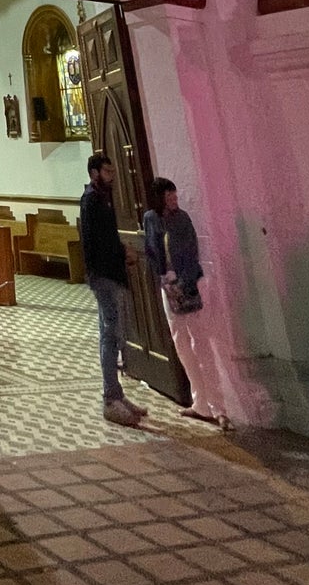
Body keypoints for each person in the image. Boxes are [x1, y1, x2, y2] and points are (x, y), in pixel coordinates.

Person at [142, 177, 232, 430]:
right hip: (168, 285)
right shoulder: (151, 218)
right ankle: (200, 402)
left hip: (187, 283)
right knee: (181, 341)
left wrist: (185, 280)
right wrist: (164, 277)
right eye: (168, 198)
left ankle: (218, 406)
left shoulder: (182, 219)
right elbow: (153, 249)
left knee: (200, 341)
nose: (173, 202)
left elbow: (191, 250)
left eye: (175, 197)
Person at [79, 152, 146, 427]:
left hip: (109, 273)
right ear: (95, 173)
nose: (112, 177)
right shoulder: (93, 201)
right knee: (110, 334)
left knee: (112, 332)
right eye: (108, 172)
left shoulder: (102, 199)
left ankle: (117, 393)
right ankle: (110, 397)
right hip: (104, 274)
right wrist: (121, 253)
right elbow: (100, 242)